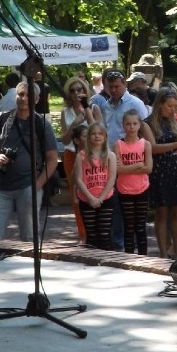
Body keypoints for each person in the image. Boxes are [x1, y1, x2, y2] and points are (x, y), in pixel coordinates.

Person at [0, 81, 59, 243]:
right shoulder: (2, 118)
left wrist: (37, 185)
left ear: (37, 99)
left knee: (29, 238)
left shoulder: (41, 124)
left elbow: (52, 159)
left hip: (29, 186)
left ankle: (29, 268)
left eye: (28, 95)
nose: (23, 98)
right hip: (2, 185)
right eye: (20, 94)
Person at [90, 69, 148, 250]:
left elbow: (145, 130)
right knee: (113, 204)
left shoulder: (135, 104)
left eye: (117, 86)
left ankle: (129, 246)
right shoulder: (105, 105)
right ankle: (116, 243)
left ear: (124, 84)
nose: (114, 90)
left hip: (130, 159)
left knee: (131, 212)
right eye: (110, 87)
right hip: (108, 159)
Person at [141, 88, 177, 258]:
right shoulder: (147, 123)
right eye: (170, 106)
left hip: (176, 169)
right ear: (160, 104)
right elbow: (152, 148)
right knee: (161, 213)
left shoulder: (173, 121)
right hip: (159, 170)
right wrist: (176, 145)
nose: (173, 110)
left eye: (175, 106)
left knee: (176, 213)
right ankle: (163, 253)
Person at [59, 76, 102, 244]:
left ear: (85, 91)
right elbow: (64, 140)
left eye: (80, 90)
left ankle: (96, 232)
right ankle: (83, 234)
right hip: (72, 155)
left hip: (93, 156)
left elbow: (99, 131)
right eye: (73, 91)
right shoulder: (66, 112)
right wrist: (74, 123)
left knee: (94, 191)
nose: (77, 93)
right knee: (76, 195)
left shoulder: (94, 107)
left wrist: (86, 111)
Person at [74, 121, 117, 250]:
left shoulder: (110, 155)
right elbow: (78, 179)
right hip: (86, 199)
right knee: (91, 235)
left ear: (105, 137)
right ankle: (91, 264)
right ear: (88, 137)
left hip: (106, 198)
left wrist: (101, 198)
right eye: (93, 134)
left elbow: (111, 179)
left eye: (100, 134)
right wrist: (90, 198)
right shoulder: (81, 156)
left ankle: (106, 264)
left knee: (104, 234)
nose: (97, 136)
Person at [114, 110, 152, 254]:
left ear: (139, 125)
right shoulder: (118, 145)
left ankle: (143, 257)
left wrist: (126, 168)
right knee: (129, 227)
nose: (131, 127)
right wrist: (137, 165)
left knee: (140, 226)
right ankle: (129, 257)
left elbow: (148, 168)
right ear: (123, 125)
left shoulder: (145, 144)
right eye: (128, 124)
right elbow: (118, 170)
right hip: (125, 190)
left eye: (135, 123)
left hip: (142, 189)